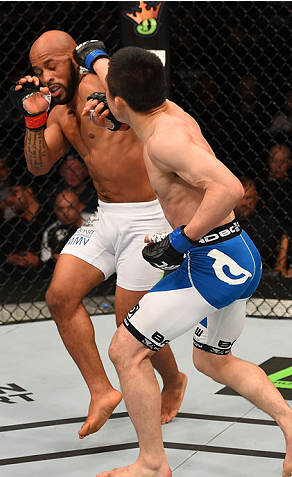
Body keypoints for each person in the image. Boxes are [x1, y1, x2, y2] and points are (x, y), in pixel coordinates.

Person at [80, 43, 292, 477]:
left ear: (120, 101)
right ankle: (291, 422)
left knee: (124, 352)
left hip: (209, 259)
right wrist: (93, 57)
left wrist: (180, 241)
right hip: (236, 254)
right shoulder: (164, 109)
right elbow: (123, 77)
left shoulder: (164, 140)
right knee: (211, 359)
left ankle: (152, 462)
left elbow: (228, 187)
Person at [10, 30, 186, 439]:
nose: (45, 76)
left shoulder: (104, 87)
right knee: (60, 295)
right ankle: (100, 389)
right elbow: (37, 165)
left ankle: (173, 380)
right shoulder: (56, 107)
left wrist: (104, 82)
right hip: (105, 215)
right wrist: (35, 116)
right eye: (38, 69)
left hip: (148, 214)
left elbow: (144, 105)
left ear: (73, 59)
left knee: (130, 319)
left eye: (51, 66)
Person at [234, 177, 281, 270]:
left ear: (256, 199)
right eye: (240, 198)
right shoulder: (222, 223)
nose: (244, 203)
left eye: (248, 198)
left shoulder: (268, 223)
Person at [41, 188, 93, 266]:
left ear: (80, 207)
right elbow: (46, 260)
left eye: (70, 207)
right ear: (55, 210)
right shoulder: (50, 232)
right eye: (61, 208)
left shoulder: (96, 223)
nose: (66, 213)